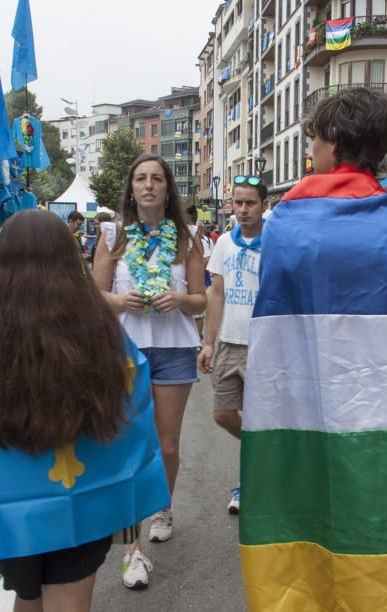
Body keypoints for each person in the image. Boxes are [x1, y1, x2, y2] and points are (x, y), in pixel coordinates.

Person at [239, 87, 387, 612]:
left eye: (314, 141)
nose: (312, 153)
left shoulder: (285, 224)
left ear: (335, 143)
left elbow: (274, 324)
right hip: (383, 419)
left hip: (301, 416)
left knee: (309, 539)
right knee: (383, 537)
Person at [0, 209, 170, 612]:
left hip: (12, 506)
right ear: (69, 258)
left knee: (27, 600)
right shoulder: (95, 323)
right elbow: (132, 384)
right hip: (82, 498)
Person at [92, 154, 207, 589]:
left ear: (167, 188)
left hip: (175, 349)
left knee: (167, 445)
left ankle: (162, 505)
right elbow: (96, 294)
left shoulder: (189, 238)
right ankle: (131, 550)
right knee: (128, 446)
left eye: (157, 178)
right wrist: (122, 302)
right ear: (131, 188)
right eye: (140, 178)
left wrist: (179, 300)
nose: (148, 186)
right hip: (125, 349)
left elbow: (201, 298)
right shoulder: (112, 235)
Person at [197, 175, 267, 514]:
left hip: (263, 347)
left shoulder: (275, 242)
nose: (242, 209)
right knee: (223, 414)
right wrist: (208, 343)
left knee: (258, 418)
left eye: (250, 202)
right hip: (228, 342)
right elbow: (217, 294)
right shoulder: (224, 242)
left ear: (263, 206)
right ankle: (268, 453)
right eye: (238, 202)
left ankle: (249, 484)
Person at [186, 205, 213, 340]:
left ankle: (197, 338)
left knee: (198, 314)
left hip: (201, 280)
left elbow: (207, 258)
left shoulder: (202, 241)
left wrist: (194, 270)